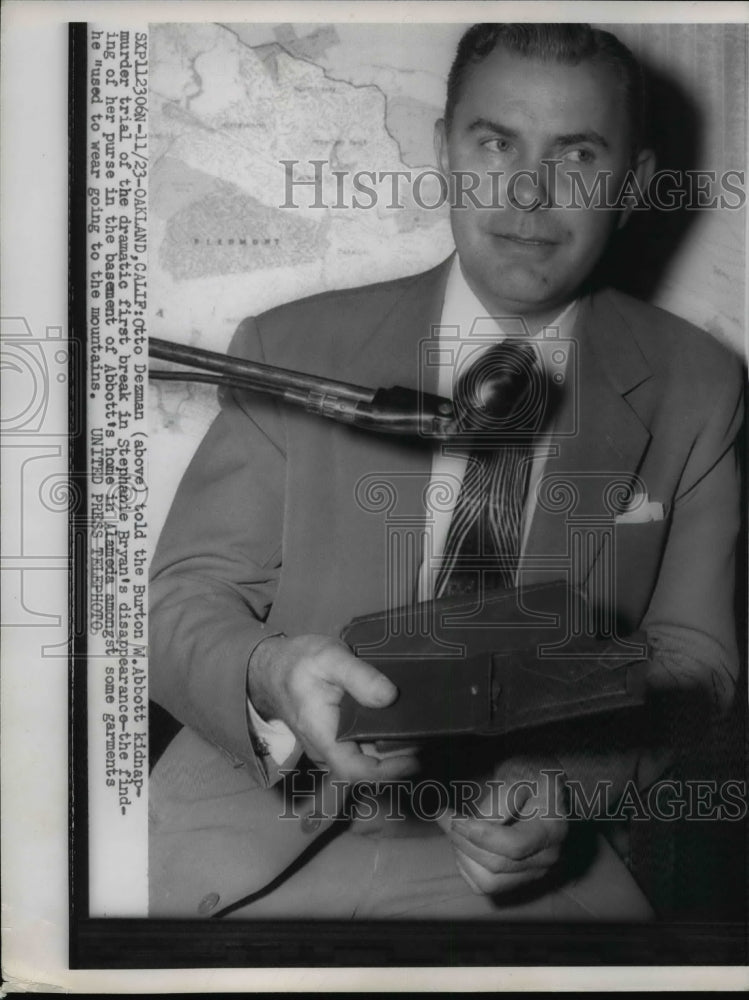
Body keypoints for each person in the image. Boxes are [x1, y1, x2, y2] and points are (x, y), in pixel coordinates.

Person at [148, 23, 743, 920]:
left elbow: (695, 662)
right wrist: (272, 677)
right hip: (260, 833)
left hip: (531, 858)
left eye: (576, 154)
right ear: (442, 152)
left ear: (634, 184)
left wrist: (566, 786)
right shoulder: (291, 344)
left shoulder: (699, 386)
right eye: (495, 143)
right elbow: (178, 601)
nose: (528, 193)